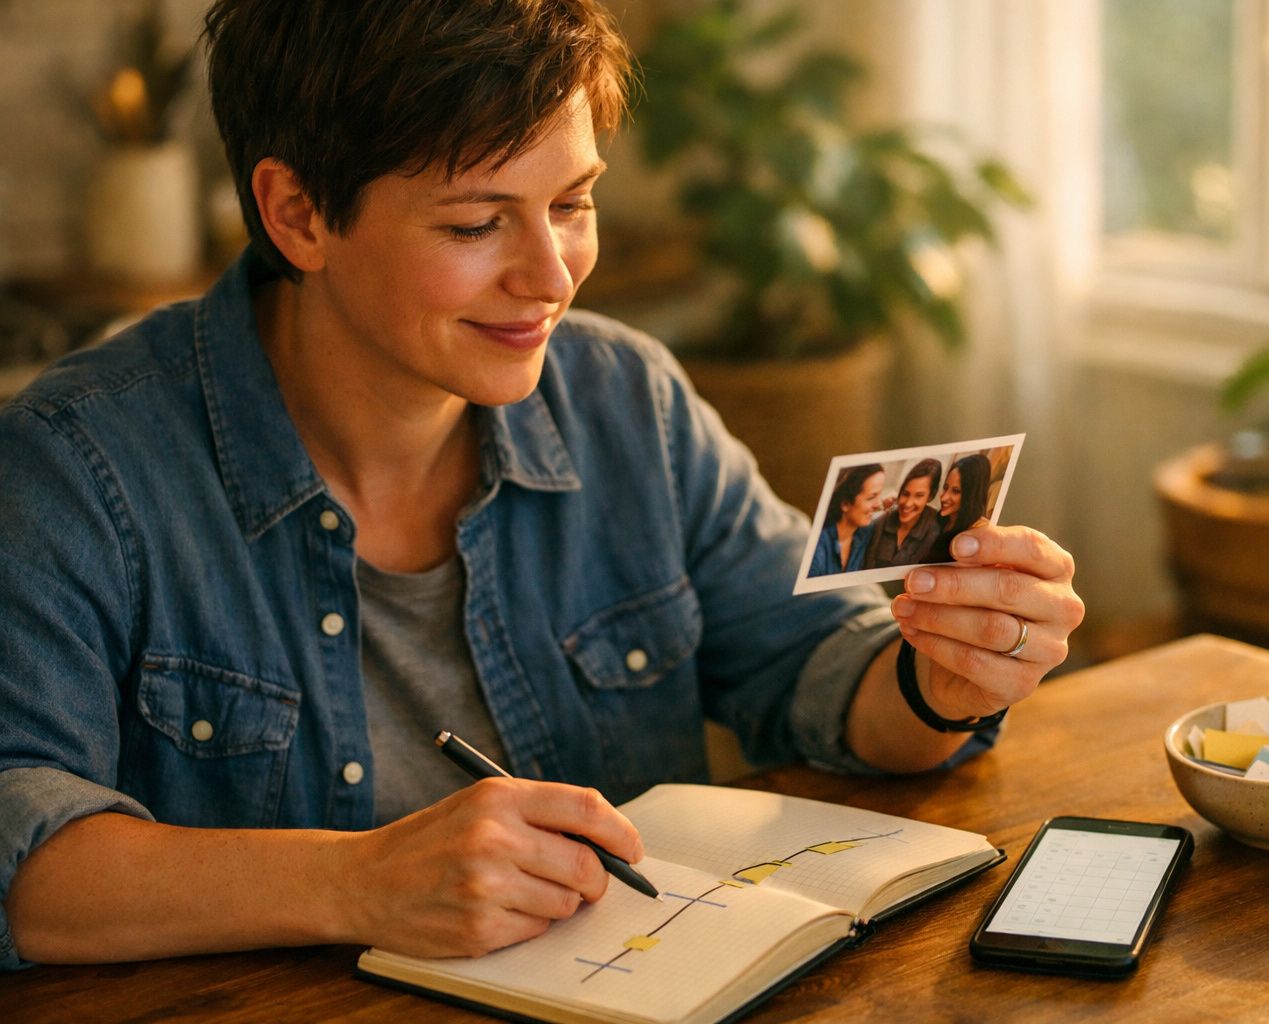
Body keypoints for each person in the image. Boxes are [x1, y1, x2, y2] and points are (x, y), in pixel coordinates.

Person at [0, 0, 1083, 970]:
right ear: (297, 215)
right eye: (476, 224)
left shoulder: (624, 401)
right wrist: (356, 880)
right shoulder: (74, 466)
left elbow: (818, 672)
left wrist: (944, 675)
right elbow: (19, 847)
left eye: (573, 202)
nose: (551, 275)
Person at [861, 458, 943, 570]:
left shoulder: (935, 532)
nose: (908, 503)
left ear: (930, 496)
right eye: (905, 494)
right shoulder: (881, 522)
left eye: (919, 496)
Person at [808, 464, 885, 576]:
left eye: (880, 495)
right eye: (872, 497)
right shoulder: (818, 546)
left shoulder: (864, 532)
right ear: (845, 504)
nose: (879, 504)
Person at [922, 454, 995, 566]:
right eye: (946, 488)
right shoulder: (939, 519)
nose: (944, 497)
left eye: (956, 491)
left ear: (971, 494)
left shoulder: (979, 530)